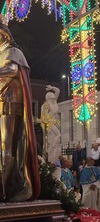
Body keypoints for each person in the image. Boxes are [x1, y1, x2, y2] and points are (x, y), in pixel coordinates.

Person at [0, 19, 40, 202]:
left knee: (7, 146)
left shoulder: (13, 51)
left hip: (12, 106)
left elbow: (11, 69)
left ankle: (6, 187)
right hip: (1, 106)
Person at [40, 85, 61, 163]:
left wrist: (51, 88)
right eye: (51, 98)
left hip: (55, 122)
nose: (53, 99)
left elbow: (58, 91)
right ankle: (48, 157)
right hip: (49, 124)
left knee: (57, 138)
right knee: (57, 135)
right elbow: (43, 118)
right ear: (48, 99)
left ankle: (54, 156)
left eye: (53, 98)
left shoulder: (54, 102)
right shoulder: (45, 105)